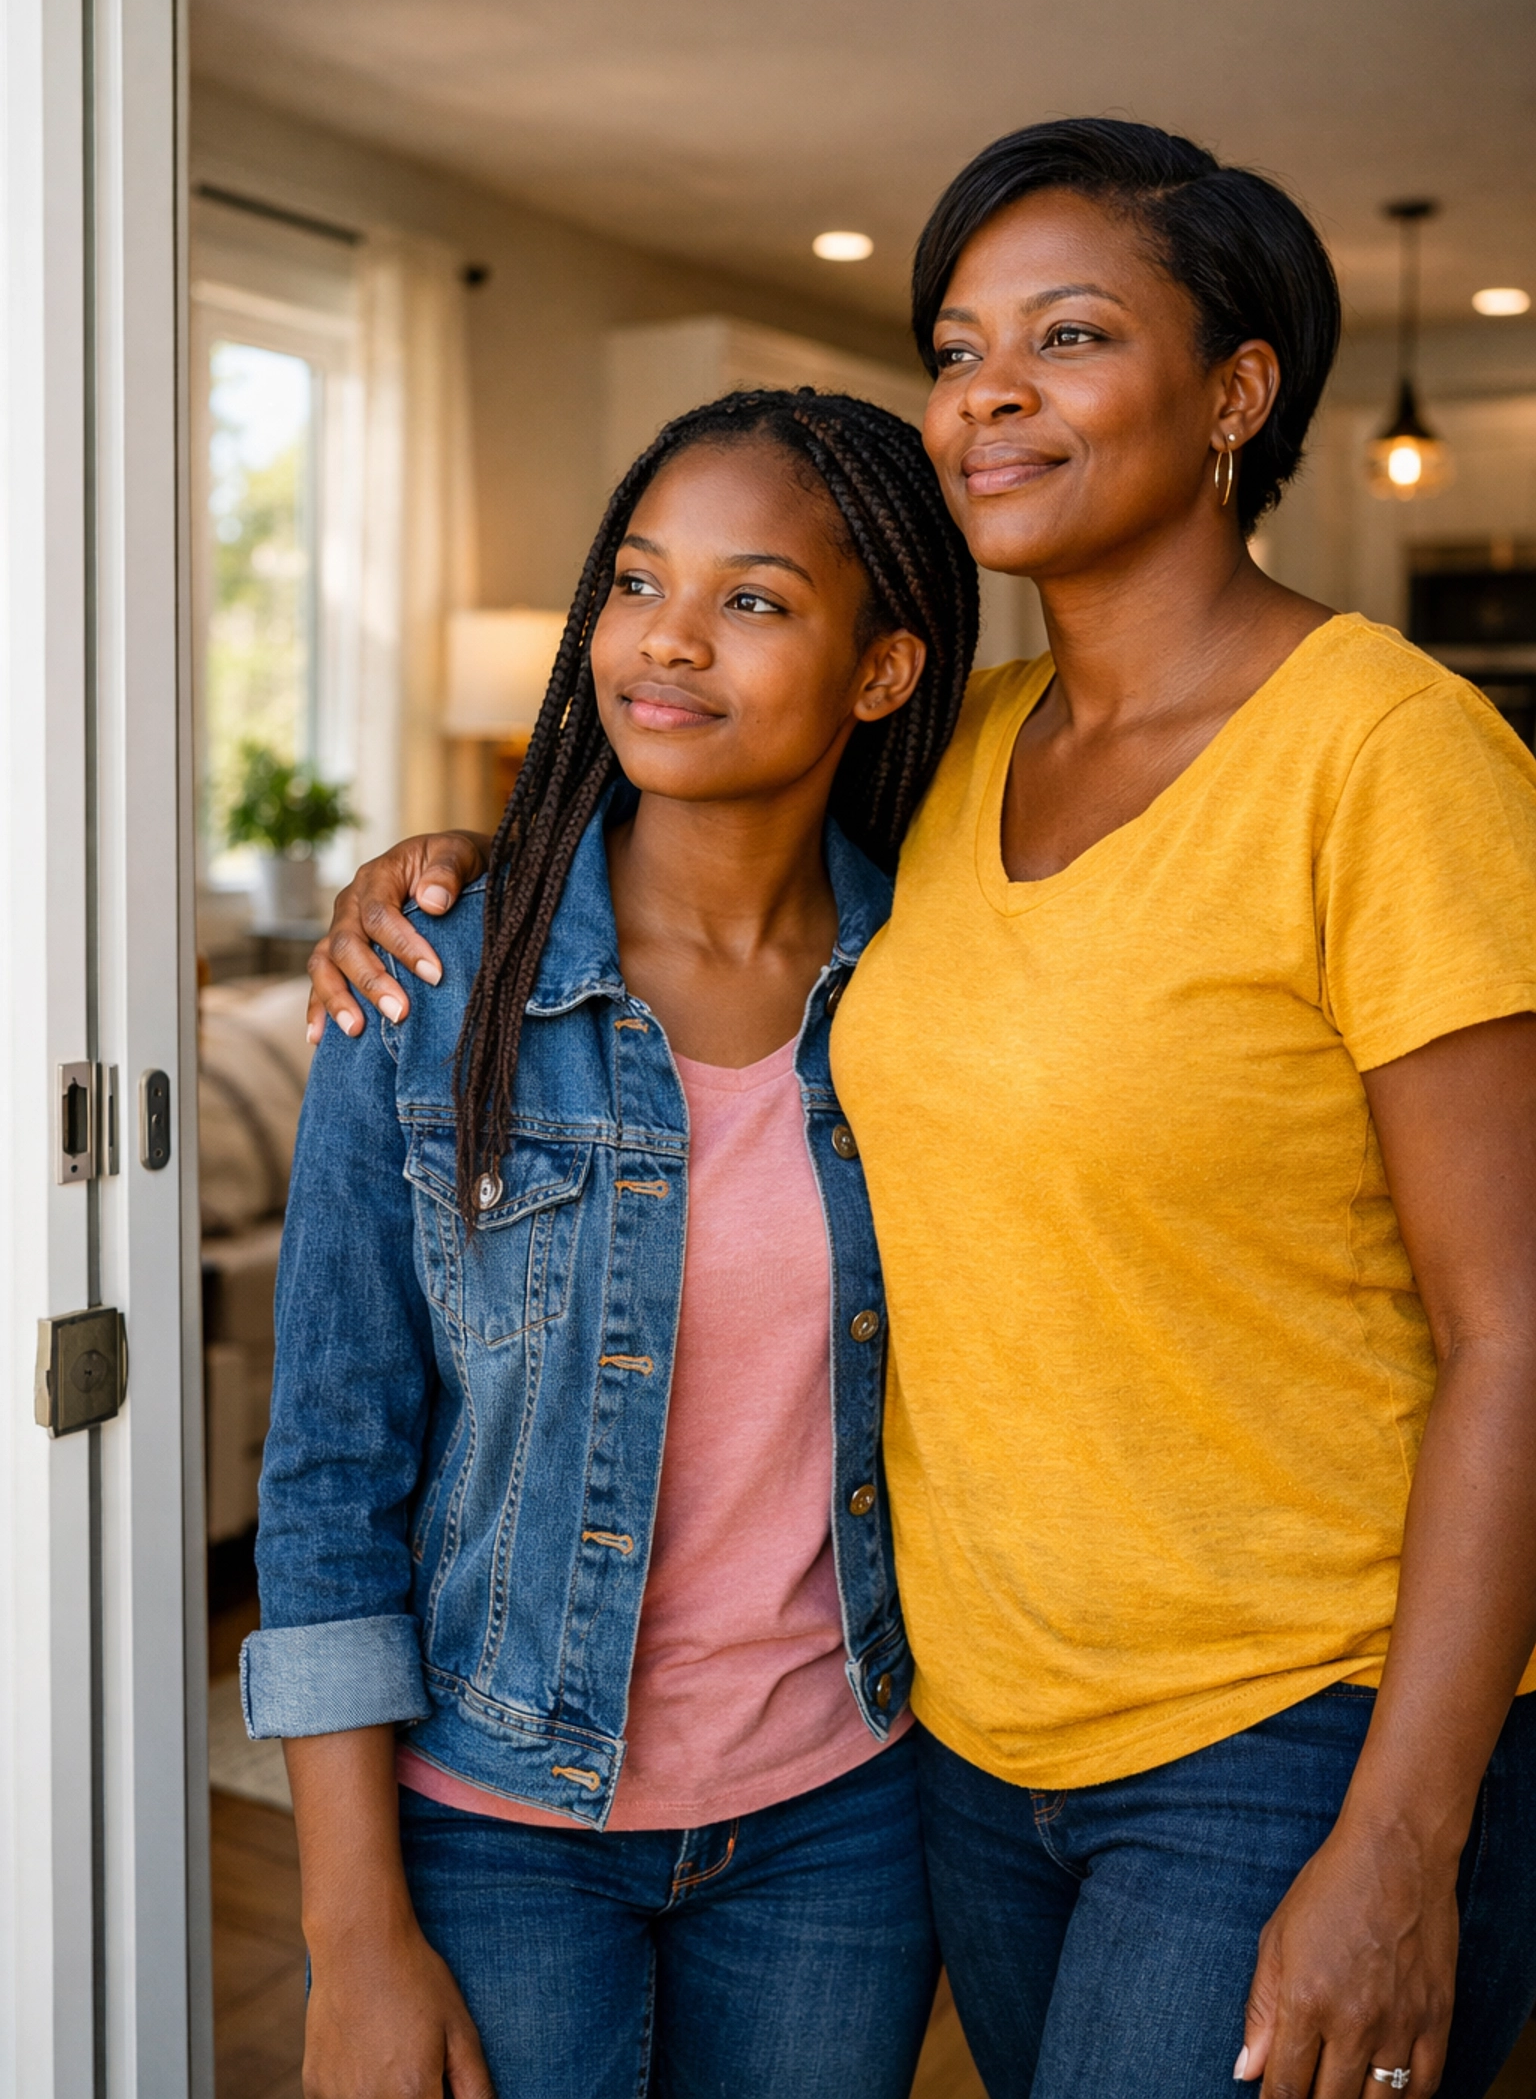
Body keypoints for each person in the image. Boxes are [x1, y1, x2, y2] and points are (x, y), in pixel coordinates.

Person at [308, 121, 1536, 2099]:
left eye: (1068, 336)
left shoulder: (1391, 757)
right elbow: (703, 856)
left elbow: (1518, 1327)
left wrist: (1405, 1837)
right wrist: (459, 864)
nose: (992, 398)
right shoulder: (957, 763)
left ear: (1236, 394)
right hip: (968, 1743)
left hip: (1291, 1723)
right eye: (961, 348)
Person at [244, 387, 977, 2099]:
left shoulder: (942, 988)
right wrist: (354, 1936)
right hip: (497, 1834)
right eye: (641, 583)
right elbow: (332, 1473)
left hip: (840, 1826)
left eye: (755, 600)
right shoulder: (432, 986)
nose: (669, 644)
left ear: (882, 670)